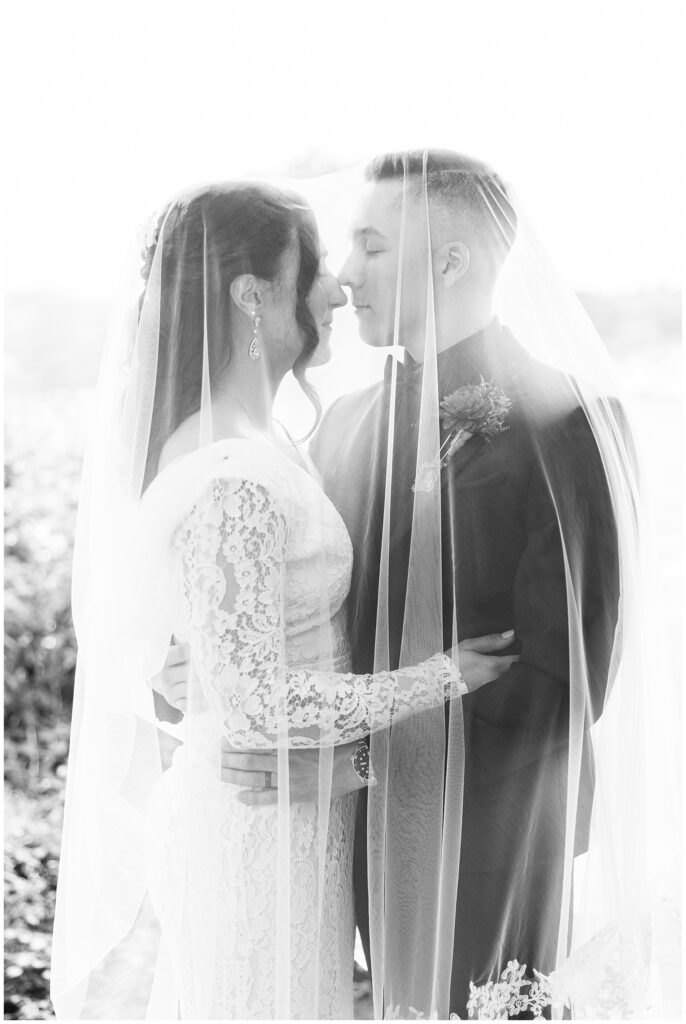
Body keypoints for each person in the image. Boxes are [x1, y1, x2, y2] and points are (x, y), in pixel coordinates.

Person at [51, 179, 518, 1020]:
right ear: (251, 293)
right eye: (313, 267)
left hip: (294, 816)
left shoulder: (263, 439)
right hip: (251, 827)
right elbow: (257, 702)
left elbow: (235, 647)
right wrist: (444, 675)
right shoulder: (230, 472)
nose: (338, 284)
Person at [202, 151, 650, 1018]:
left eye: (371, 245)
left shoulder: (568, 422)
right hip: (341, 837)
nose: (342, 273)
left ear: (452, 261)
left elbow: (563, 672)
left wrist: (353, 761)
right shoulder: (343, 420)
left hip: (496, 838)